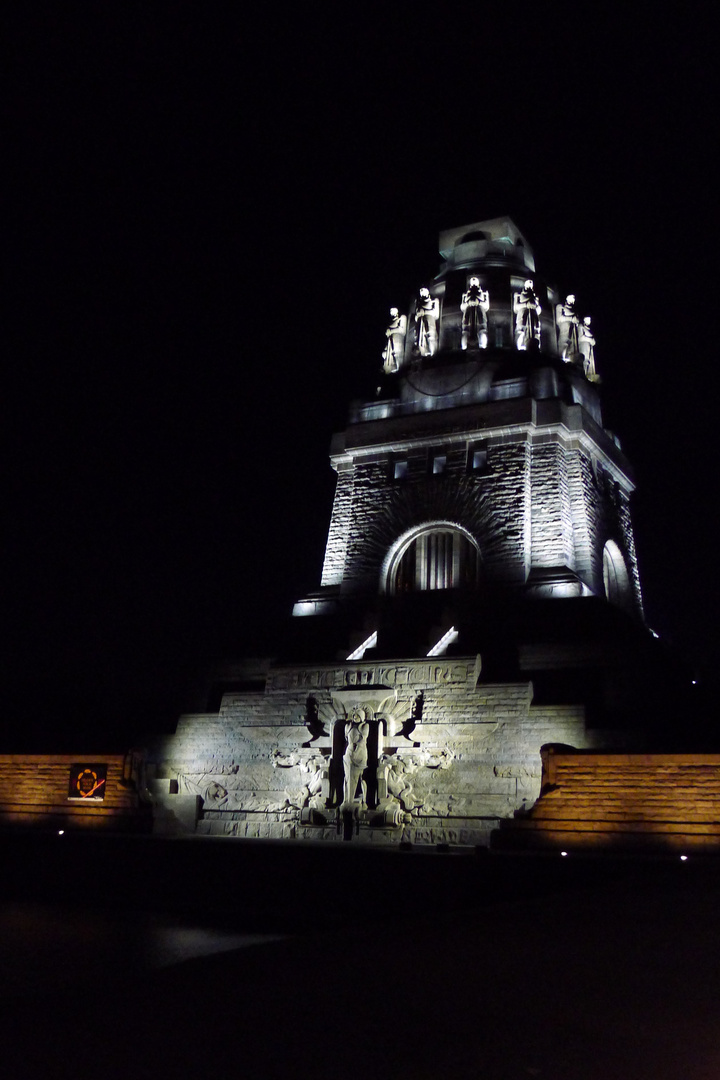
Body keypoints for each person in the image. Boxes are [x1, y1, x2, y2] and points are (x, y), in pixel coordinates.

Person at [342, 710, 369, 808]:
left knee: (360, 777)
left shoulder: (365, 726)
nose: (355, 717)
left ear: (362, 717)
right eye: (354, 715)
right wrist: (350, 751)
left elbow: (363, 740)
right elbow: (346, 739)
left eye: (358, 715)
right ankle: (347, 800)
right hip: (349, 752)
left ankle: (364, 800)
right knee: (347, 777)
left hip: (360, 753)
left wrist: (356, 750)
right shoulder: (348, 726)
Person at [460, 277, 490, 350]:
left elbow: (486, 305)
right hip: (468, 312)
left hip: (480, 311)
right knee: (465, 330)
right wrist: (468, 303)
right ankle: (464, 346)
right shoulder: (465, 295)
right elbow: (462, 306)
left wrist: (478, 302)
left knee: (482, 329)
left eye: (475, 281)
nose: (473, 283)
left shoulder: (484, 293)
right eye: (472, 281)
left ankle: (483, 345)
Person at [514, 279, 542, 350]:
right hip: (523, 315)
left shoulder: (535, 297)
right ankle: (520, 347)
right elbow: (516, 307)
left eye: (531, 285)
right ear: (525, 285)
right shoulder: (518, 295)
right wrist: (526, 304)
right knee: (521, 331)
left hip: (534, 316)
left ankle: (536, 347)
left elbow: (539, 310)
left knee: (536, 332)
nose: (530, 286)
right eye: (528, 284)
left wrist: (536, 307)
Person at [414, 288, 439, 356]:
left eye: (423, 291)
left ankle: (433, 355)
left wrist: (424, 312)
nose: (422, 293)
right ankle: (423, 355)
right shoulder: (418, 303)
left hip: (430, 322)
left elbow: (436, 314)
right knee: (420, 340)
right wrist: (418, 314)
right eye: (421, 292)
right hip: (420, 324)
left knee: (431, 337)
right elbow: (416, 316)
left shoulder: (434, 301)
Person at [382, 307, 407, 372]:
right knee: (385, 354)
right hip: (390, 342)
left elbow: (402, 330)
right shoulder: (390, 323)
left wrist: (391, 331)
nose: (392, 313)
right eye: (391, 312)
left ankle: (398, 368)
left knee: (397, 356)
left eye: (393, 312)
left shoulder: (402, 318)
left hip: (397, 341)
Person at [556, 294, 579, 362]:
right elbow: (559, 319)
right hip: (564, 329)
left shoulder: (574, 311)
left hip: (572, 331)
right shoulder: (561, 307)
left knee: (571, 347)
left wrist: (576, 320)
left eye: (573, 300)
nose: (572, 301)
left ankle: (569, 360)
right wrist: (571, 318)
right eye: (571, 298)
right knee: (564, 345)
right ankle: (561, 359)